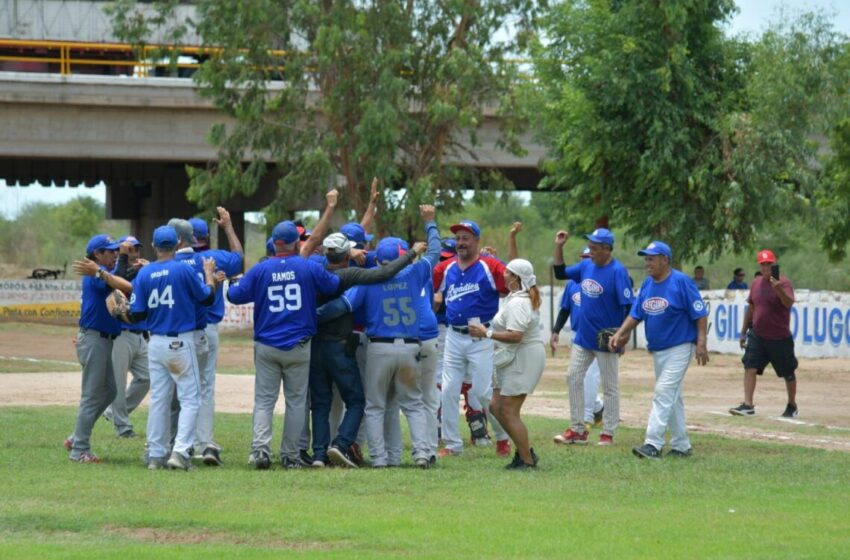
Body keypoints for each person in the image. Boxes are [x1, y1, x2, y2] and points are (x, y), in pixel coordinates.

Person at [321, 212, 441, 468]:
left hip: (378, 347)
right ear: (401, 256)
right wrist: (429, 222)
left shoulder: (370, 279)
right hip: (410, 347)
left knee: (375, 407)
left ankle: (380, 459)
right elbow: (435, 251)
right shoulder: (415, 271)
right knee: (413, 405)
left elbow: (341, 306)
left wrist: (312, 316)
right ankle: (421, 454)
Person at [226, 220, 342, 469]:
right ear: (296, 242)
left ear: (274, 244)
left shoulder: (261, 269)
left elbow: (234, 295)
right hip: (299, 345)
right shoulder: (306, 266)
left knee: (265, 401)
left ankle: (260, 451)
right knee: (296, 401)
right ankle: (291, 455)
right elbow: (333, 285)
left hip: (267, 345)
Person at [122, 226, 217, 470]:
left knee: (160, 399)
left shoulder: (144, 273)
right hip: (179, 342)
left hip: (155, 343)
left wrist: (122, 312)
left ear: (154, 246)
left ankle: (156, 455)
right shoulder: (184, 269)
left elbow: (137, 312)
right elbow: (206, 297)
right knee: (191, 399)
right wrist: (208, 275)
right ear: (176, 244)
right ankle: (181, 452)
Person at [607, 241, 709, 459]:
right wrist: (620, 333)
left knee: (663, 392)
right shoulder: (647, 284)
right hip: (659, 350)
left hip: (680, 346)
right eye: (646, 258)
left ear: (665, 259)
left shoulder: (681, 282)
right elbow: (636, 313)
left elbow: (700, 313)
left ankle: (652, 443)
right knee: (672, 396)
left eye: (651, 258)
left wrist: (701, 342)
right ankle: (681, 445)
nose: (647, 263)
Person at [432, 219, 509, 457]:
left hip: (481, 335)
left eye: (466, 238)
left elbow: (512, 284)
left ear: (476, 240)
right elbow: (430, 288)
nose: (461, 243)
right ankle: (452, 444)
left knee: (483, 392)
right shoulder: (445, 268)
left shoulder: (489, 266)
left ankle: (503, 438)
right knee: (448, 390)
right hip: (454, 334)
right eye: (458, 238)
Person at [551, 228, 633, 446]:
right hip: (583, 338)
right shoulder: (587, 266)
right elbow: (560, 273)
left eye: (596, 247)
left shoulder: (618, 272)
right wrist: (559, 246)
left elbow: (628, 307)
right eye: (591, 246)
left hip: (607, 339)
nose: (591, 251)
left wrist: (623, 335)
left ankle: (608, 431)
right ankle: (578, 429)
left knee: (609, 386)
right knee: (573, 377)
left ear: (607, 249)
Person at [469, 259, 545, 469]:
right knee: (495, 406)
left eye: (507, 273)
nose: (503, 274)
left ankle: (527, 460)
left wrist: (487, 333)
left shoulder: (519, 303)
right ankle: (524, 452)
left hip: (523, 357)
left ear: (516, 278)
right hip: (512, 356)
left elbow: (516, 336)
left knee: (509, 411)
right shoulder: (516, 297)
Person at [64, 235, 133, 463]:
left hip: (102, 339)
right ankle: (79, 450)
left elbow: (120, 282)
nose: (114, 254)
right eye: (109, 251)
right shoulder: (94, 274)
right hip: (94, 339)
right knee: (91, 396)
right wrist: (101, 271)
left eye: (115, 251)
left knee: (111, 391)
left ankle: (77, 436)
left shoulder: (99, 272)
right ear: (97, 254)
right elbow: (126, 285)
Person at [185, 208, 244, 466]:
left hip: (182, 329)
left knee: (181, 388)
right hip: (208, 329)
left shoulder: (176, 262)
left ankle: (179, 442)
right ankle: (203, 441)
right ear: (206, 237)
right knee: (205, 388)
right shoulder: (216, 258)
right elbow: (239, 258)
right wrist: (228, 227)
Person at [729, 249, 799, 418]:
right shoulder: (756, 283)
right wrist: (743, 332)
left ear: (774, 264)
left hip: (779, 337)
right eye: (763, 264)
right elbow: (751, 307)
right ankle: (748, 405)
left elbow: (788, 303)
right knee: (749, 367)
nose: (766, 267)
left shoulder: (784, 282)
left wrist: (779, 289)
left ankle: (792, 405)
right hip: (758, 335)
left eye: (769, 264)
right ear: (760, 266)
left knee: (788, 372)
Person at [550, 247, 604, 430]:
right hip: (577, 335)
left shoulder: (602, 280)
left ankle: (587, 416)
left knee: (590, 375)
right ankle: (598, 407)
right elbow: (565, 308)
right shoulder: (572, 282)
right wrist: (556, 330)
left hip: (598, 335)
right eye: (584, 257)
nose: (587, 260)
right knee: (577, 376)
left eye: (590, 256)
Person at [103, 235, 150, 439]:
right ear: (121, 252)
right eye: (129, 249)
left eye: (137, 249)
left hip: (141, 335)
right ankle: (122, 427)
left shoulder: (144, 271)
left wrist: (149, 270)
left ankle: (113, 412)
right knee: (119, 383)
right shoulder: (115, 272)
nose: (134, 253)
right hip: (120, 334)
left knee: (147, 377)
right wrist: (133, 270)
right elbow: (118, 284)